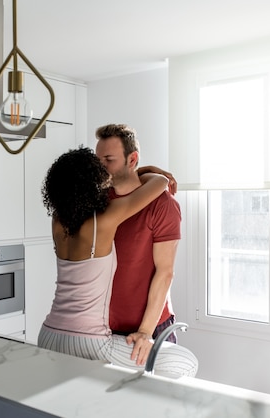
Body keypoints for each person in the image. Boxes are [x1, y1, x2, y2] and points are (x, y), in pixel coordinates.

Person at [37, 147, 197, 377]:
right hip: (89, 341)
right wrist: (147, 170)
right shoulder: (106, 218)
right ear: (94, 180)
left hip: (49, 334)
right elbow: (159, 183)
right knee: (186, 362)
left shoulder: (58, 219)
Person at [95, 123, 181, 368]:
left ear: (132, 159)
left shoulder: (163, 204)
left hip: (149, 329)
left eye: (108, 159)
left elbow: (165, 272)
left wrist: (145, 331)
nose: (100, 167)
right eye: (97, 159)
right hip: (106, 329)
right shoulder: (99, 199)